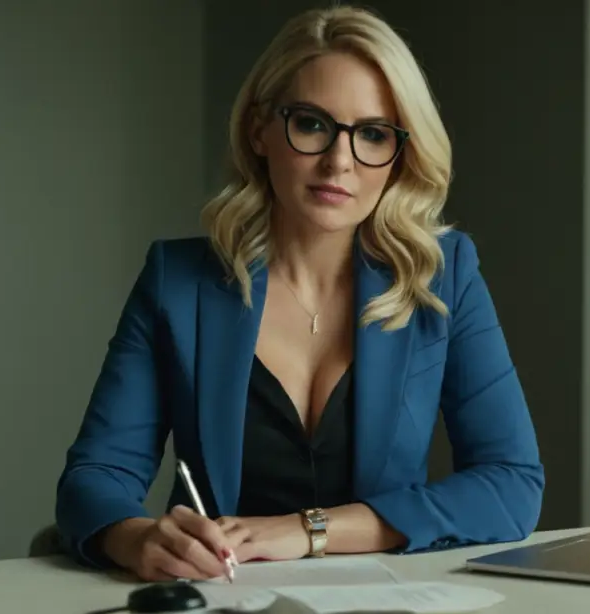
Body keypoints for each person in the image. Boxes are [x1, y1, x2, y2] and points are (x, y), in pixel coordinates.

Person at [55, 4, 544, 583]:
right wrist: (137, 538)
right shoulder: (177, 279)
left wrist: (306, 530)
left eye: (372, 134)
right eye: (311, 123)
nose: (340, 161)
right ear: (260, 129)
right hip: (224, 594)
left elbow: (512, 484)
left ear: (400, 153)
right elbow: (94, 477)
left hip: (386, 601)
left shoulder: (444, 276)